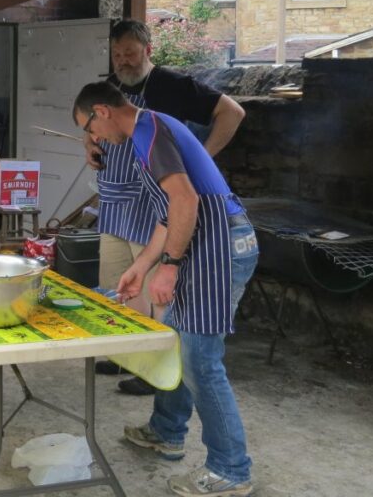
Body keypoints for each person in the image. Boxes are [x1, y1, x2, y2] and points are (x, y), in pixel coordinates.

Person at [73, 82, 257, 497]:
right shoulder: (146, 130)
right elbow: (167, 212)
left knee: (200, 362)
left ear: (101, 111)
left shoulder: (148, 130)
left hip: (220, 247)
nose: (94, 139)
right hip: (204, 242)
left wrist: (169, 267)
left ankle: (231, 469)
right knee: (173, 344)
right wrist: (142, 266)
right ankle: (166, 431)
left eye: (89, 127)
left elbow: (187, 202)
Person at [87, 20, 245, 395]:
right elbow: (92, 126)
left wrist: (201, 159)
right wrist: (89, 147)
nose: (123, 61)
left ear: (148, 50)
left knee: (156, 294)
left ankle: (155, 371)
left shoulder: (173, 86)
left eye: (130, 52)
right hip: (115, 204)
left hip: (156, 206)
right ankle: (128, 354)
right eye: (117, 54)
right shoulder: (109, 90)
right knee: (119, 286)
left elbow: (233, 112)